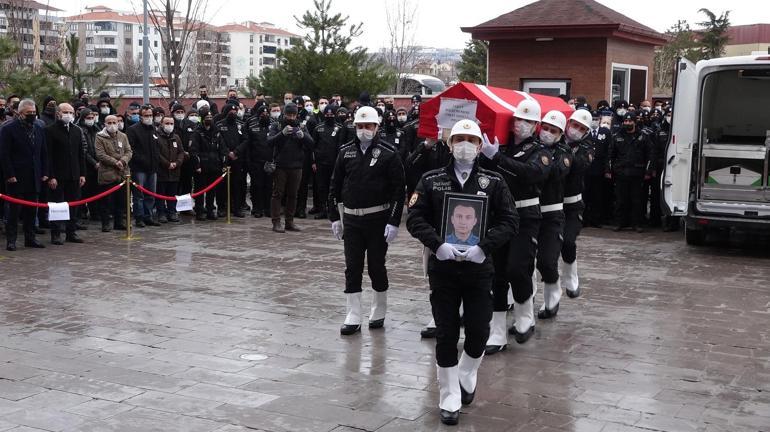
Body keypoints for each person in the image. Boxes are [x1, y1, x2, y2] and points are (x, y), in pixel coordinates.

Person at [407, 119, 517, 426]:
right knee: (446, 332)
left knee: (480, 329)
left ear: (481, 146)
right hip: (443, 268)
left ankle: (468, 371)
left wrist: (484, 247)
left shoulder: (493, 182)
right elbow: (415, 217)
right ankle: (449, 394)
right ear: (449, 143)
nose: (464, 145)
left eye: (471, 139)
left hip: (479, 268)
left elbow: (510, 221)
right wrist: (437, 244)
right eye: (459, 139)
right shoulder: (431, 180)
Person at [479, 99, 551, 353]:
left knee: (518, 268)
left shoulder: (541, 151)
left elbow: (531, 173)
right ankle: (497, 331)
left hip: (525, 216)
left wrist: (497, 157)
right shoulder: (503, 147)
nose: (522, 124)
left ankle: (525, 315)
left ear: (536, 126)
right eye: (519, 119)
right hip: (499, 216)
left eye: (528, 121)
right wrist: (486, 154)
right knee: (496, 274)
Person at [328, 106, 405, 335]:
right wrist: (334, 217)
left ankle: (379, 308)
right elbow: (334, 186)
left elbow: (398, 190)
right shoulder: (345, 152)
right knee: (352, 267)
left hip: (377, 219)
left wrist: (393, 221)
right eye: (360, 126)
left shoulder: (388, 153)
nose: (364, 130)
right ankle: (352, 313)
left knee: (375, 266)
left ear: (377, 127)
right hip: (352, 219)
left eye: (368, 126)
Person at [533, 110, 572, 320]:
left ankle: (552, 297)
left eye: (553, 131)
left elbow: (556, 173)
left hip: (551, 213)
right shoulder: (530, 147)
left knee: (547, 261)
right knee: (522, 263)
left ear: (560, 134)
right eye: (545, 128)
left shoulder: (564, 153)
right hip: (528, 212)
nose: (547, 133)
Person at [0, 99, 49, 251]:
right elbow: (4, 154)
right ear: (19, 113)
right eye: (29, 113)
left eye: (34, 113)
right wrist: (9, 174)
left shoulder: (39, 128)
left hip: (34, 176)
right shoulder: (8, 129)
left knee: (31, 210)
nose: (32, 115)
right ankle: (11, 240)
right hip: (16, 176)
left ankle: (30, 238)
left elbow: (43, 152)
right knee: (14, 211)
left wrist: (45, 172)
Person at [560, 110, 595, 299]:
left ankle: (571, 275)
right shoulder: (554, 139)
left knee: (568, 241)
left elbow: (579, 165)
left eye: (581, 128)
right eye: (574, 125)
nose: (576, 130)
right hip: (551, 203)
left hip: (572, 205)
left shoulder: (586, 147)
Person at [267, 103, 314, 233]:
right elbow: (270, 142)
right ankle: (276, 222)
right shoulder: (277, 125)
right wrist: (282, 134)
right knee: (278, 194)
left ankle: (290, 221)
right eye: (289, 115)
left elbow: (311, 143)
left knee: (293, 195)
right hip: (281, 165)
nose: (291, 118)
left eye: (293, 115)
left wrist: (303, 136)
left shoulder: (301, 126)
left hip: (296, 165)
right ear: (284, 114)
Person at [44, 103, 86, 245]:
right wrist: (51, 176)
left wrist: (82, 174)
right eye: (65, 112)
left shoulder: (76, 130)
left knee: (73, 204)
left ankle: (71, 232)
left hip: (74, 174)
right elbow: (48, 155)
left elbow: (81, 153)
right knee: (57, 206)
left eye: (71, 112)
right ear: (58, 113)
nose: (69, 115)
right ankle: (55, 234)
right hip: (57, 175)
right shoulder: (49, 131)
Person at [606, 112, 654, 232]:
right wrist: (609, 169)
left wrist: (648, 171)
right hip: (621, 173)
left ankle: (636, 224)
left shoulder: (643, 136)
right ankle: (619, 223)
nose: (627, 123)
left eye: (630, 121)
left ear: (634, 122)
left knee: (636, 200)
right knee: (620, 200)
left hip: (637, 173)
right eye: (625, 121)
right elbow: (610, 155)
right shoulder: (617, 136)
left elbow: (650, 155)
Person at [95, 115, 132, 232]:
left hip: (122, 173)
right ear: (105, 124)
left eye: (114, 122)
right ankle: (105, 224)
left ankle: (119, 222)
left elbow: (129, 151)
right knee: (106, 201)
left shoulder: (123, 136)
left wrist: (123, 161)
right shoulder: (99, 137)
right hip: (107, 174)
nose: (112, 125)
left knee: (121, 200)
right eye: (109, 122)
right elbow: (100, 154)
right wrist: (115, 162)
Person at [126, 105, 160, 227]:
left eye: (151, 115)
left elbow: (157, 147)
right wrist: (142, 160)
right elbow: (131, 149)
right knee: (139, 195)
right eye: (146, 115)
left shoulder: (154, 129)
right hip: (139, 168)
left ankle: (148, 215)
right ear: (140, 117)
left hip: (152, 168)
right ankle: (139, 217)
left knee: (151, 194)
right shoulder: (133, 130)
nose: (149, 118)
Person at [190, 108, 226, 220]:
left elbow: (222, 148)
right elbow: (193, 150)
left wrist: (223, 163)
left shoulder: (216, 132)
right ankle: (200, 211)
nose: (209, 119)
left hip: (214, 165)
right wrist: (197, 165)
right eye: (207, 118)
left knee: (211, 190)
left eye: (210, 117)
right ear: (202, 119)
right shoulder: (197, 132)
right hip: (202, 166)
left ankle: (210, 210)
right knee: (200, 190)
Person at [311, 105, 342, 220]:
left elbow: (341, 147)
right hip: (320, 163)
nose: (329, 116)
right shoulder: (318, 128)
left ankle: (332, 210)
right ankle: (323, 209)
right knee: (321, 187)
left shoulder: (339, 128)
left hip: (334, 163)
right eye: (327, 115)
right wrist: (313, 162)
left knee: (333, 188)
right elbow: (313, 146)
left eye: (332, 115)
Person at [216, 103, 247, 218]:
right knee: (222, 185)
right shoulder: (219, 125)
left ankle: (237, 207)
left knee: (237, 184)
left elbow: (245, 140)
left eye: (235, 112)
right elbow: (219, 140)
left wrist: (236, 152)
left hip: (237, 159)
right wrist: (228, 152)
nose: (233, 114)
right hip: (224, 159)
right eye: (231, 112)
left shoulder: (241, 125)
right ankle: (221, 207)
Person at [243, 105, 273, 218]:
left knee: (269, 186)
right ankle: (257, 208)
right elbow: (248, 145)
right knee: (257, 186)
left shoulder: (273, 126)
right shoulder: (252, 127)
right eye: (262, 114)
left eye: (266, 114)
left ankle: (267, 208)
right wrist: (249, 161)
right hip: (256, 162)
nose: (264, 116)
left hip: (269, 162)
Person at [583, 110, 611, 228]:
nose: (594, 121)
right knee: (585, 195)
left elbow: (609, 150)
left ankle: (596, 219)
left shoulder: (605, 132)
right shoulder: (584, 132)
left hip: (599, 169)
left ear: (600, 119)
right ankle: (584, 219)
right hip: (586, 169)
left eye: (596, 119)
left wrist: (607, 169)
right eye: (592, 119)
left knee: (597, 196)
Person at [156, 115, 185, 223]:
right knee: (161, 194)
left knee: (172, 193)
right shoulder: (156, 136)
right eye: (167, 123)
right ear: (162, 124)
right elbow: (157, 153)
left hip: (174, 171)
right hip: (162, 171)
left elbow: (181, 152)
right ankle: (161, 213)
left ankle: (172, 212)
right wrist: (167, 164)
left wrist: (177, 163)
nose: (169, 126)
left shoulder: (176, 137)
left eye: (171, 123)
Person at [79, 108, 101, 222]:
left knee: (95, 191)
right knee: (85, 191)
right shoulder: (80, 130)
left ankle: (95, 212)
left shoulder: (96, 129)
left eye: (92, 118)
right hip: (86, 165)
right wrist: (94, 163)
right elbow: (84, 150)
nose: (91, 120)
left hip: (97, 165)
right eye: (88, 118)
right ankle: (82, 212)